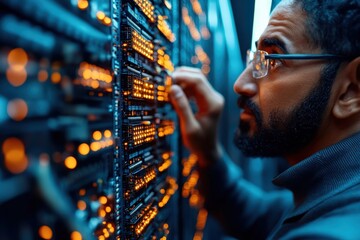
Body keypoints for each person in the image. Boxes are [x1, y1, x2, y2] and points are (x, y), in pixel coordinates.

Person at [169, 0, 360, 239]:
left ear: (351, 90)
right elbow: (255, 214)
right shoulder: (328, 194)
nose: (239, 84)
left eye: (273, 60)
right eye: (256, 59)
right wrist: (207, 152)